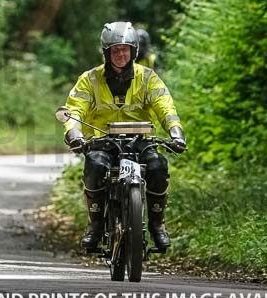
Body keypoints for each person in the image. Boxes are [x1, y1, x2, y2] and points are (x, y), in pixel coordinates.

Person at [62, 21, 187, 251]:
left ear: (133, 51)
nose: (120, 54)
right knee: (95, 166)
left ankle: (157, 225)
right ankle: (96, 225)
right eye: (115, 50)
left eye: (125, 49)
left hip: (141, 142)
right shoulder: (89, 79)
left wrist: (176, 134)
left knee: (158, 166)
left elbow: (165, 107)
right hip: (102, 142)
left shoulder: (148, 78)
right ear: (107, 52)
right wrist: (74, 134)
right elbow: (74, 110)